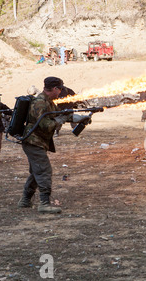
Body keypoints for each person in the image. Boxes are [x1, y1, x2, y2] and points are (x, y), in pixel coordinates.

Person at [17, 77, 91, 214]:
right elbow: (45, 125)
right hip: (33, 141)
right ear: (55, 89)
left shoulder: (48, 102)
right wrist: (60, 120)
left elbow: (61, 114)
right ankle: (44, 203)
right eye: (60, 89)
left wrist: (80, 117)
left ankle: (25, 200)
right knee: (44, 171)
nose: (61, 92)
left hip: (38, 142)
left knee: (36, 171)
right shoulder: (40, 103)